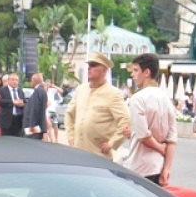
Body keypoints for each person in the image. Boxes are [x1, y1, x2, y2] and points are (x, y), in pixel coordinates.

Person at [121, 53, 177, 185]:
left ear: (146, 72)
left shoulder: (137, 98)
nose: (132, 75)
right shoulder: (167, 100)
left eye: (135, 70)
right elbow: (172, 139)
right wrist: (166, 169)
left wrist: (159, 148)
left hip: (139, 167)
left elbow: (143, 135)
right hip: (158, 167)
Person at [66, 52, 129, 160]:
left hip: (99, 156)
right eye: (89, 65)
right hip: (78, 153)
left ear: (104, 70)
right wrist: (71, 136)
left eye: (94, 65)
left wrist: (112, 143)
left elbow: (126, 120)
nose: (89, 68)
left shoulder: (113, 93)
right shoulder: (81, 90)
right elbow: (69, 113)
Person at [21, 72, 48, 140]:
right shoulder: (42, 91)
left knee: (30, 144)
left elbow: (34, 109)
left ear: (34, 80)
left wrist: (31, 126)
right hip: (37, 126)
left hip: (33, 127)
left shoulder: (38, 91)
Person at [0, 72, 26, 137]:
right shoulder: (2, 90)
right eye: (13, 79)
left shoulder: (20, 91)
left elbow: (24, 102)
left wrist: (22, 104)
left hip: (18, 120)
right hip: (7, 120)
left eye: (16, 80)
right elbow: (0, 102)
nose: (15, 82)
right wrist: (13, 102)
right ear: (8, 80)